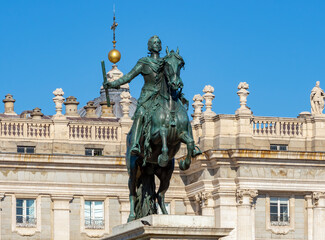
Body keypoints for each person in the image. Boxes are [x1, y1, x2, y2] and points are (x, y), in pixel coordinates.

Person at [104, 35, 165, 155]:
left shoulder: (166, 63)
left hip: (162, 95)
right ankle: (136, 143)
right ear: (149, 46)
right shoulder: (144, 62)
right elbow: (129, 76)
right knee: (140, 114)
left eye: (158, 42)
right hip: (148, 95)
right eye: (154, 42)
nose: (156, 44)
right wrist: (112, 84)